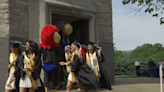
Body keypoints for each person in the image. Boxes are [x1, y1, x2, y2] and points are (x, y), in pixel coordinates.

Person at [39, 25, 66, 92]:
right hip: (53, 65)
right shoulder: (55, 47)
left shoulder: (43, 47)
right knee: (52, 80)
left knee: (48, 79)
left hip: (49, 65)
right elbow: (62, 54)